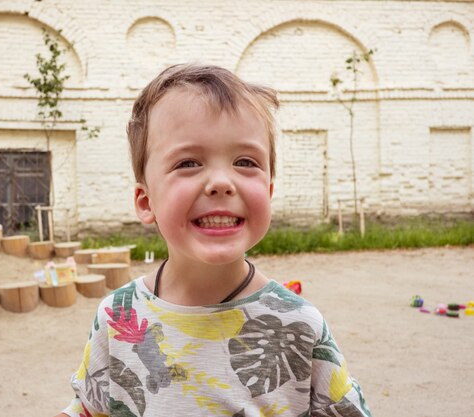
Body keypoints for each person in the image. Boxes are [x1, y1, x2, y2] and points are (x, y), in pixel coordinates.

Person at [57, 64, 371, 417]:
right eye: (189, 162)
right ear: (147, 202)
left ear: (268, 191)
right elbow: (87, 407)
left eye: (245, 161)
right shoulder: (118, 316)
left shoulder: (300, 324)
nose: (221, 182)